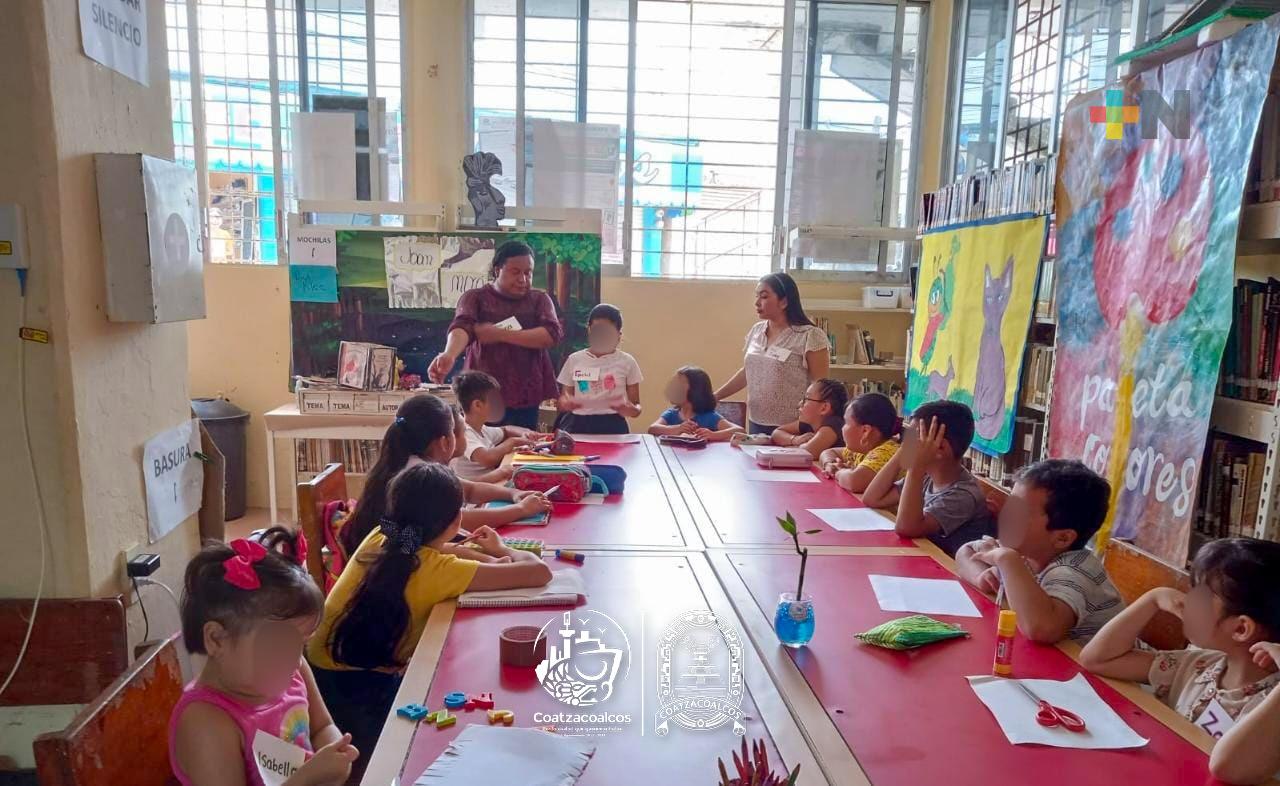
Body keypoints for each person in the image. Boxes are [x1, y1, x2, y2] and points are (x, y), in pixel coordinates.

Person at [309, 462, 552, 767]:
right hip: (358, 697)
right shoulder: (438, 571)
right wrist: (504, 549)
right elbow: (538, 572)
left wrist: (484, 557)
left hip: (319, 676)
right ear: (456, 519)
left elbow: (443, 551)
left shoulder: (382, 536)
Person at [1080, 538, 1280, 785]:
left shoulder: (1271, 707)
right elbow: (1097, 659)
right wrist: (1153, 599)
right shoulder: (1199, 666)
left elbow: (1226, 768)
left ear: (1240, 629)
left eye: (1200, 596)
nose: (1187, 599)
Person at [169, 528, 357, 786]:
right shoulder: (207, 721)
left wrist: (337, 756)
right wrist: (308, 778)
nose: (293, 659)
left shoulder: (294, 670)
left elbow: (322, 727)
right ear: (216, 639)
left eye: (300, 644)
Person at [337, 395, 552, 557]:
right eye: (458, 431)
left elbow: (469, 490)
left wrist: (514, 494)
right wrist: (520, 510)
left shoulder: (413, 462)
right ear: (445, 442)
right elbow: (457, 521)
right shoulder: (419, 476)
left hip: (398, 554)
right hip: (395, 564)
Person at [955, 460, 1122, 643]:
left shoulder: (1076, 572)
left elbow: (1041, 629)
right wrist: (981, 577)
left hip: (1098, 670)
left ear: (1062, 538)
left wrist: (1007, 561)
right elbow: (965, 552)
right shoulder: (1028, 550)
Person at [427, 241, 564, 430]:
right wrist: (449, 354)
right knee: (481, 450)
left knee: (521, 448)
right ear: (497, 270)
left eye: (528, 272)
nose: (523, 279)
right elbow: (462, 326)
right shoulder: (475, 298)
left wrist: (500, 334)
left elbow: (551, 335)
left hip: (525, 393)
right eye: (515, 272)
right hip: (482, 395)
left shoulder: (539, 300)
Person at [862, 400, 995, 556]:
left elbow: (907, 528)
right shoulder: (928, 477)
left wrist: (916, 468)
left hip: (948, 571)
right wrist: (902, 454)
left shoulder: (963, 494)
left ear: (940, 447)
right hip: (921, 558)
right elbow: (872, 498)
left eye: (913, 439)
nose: (905, 444)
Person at [713, 273, 831, 435]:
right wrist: (716, 396)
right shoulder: (757, 331)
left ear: (784, 301)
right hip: (756, 420)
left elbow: (821, 386)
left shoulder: (810, 335)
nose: (757, 303)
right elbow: (749, 371)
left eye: (764, 296)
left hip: (792, 426)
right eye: (757, 297)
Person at [555, 303, 644, 434]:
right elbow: (564, 398)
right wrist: (566, 402)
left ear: (619, 335)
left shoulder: (627, 362)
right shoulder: (574, 359)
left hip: (613, 426)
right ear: (589, 330)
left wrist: (630, 409)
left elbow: (636, 406)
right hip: (578, 424)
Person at [451, 371, 540, 480]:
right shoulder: (465, 433)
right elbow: (487, 458)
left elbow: (506, 429)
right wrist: (513, 441)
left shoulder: (482, 429)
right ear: (477, 405)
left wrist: (526, 432)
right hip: (475, 493)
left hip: (488, 486)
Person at [819, 393, 901, 495]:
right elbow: (828, 452)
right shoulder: (862, 450)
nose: (842, 428)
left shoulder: (887, 452)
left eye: (846, 423)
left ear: (865, 431)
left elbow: (854, 482)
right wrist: (830, 464)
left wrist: (837, 472)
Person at [649, 366, 743, 441]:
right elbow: (652, 429)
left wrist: (713, 435)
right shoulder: (671, 414)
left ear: (695, 390)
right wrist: (677, 429)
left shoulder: (709, 416)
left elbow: (740, 431)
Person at [769, 378, 849, 460]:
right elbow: (776, 433)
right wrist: (794, 439)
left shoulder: (834, 423)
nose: (799, 404)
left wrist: (793, 445)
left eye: (806, 399)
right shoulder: (810, 423)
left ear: (824, 408)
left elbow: (807, 452)